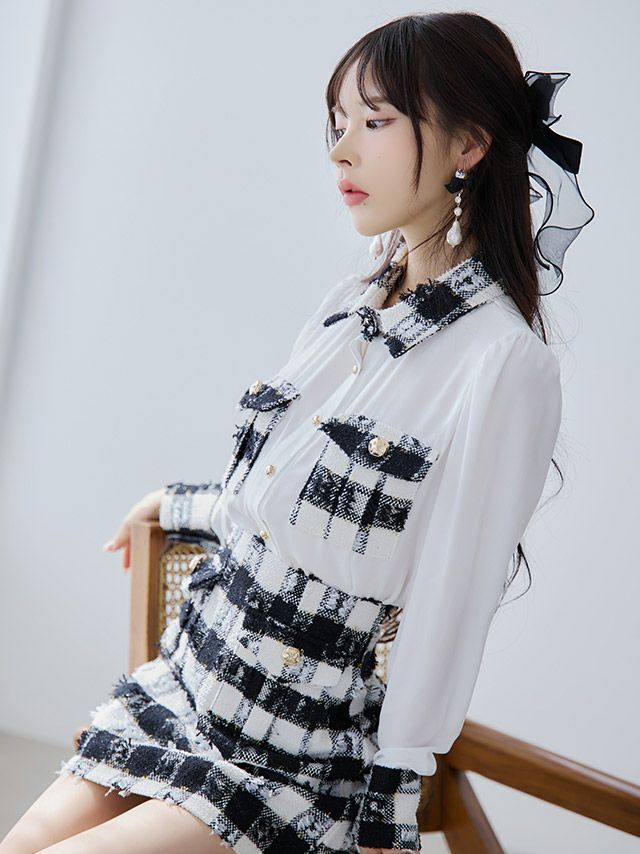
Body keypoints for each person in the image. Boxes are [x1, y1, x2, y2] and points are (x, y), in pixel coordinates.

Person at [1, 10, 594, 854]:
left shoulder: (502, 363)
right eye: (339, 122)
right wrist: (177, 504)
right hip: (184, 683)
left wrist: (393, 795)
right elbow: (283, 505)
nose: (341, 150)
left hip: (288, 759)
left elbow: (450, 602)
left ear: (468, 145)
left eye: (376, 122)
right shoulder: (350, 305)